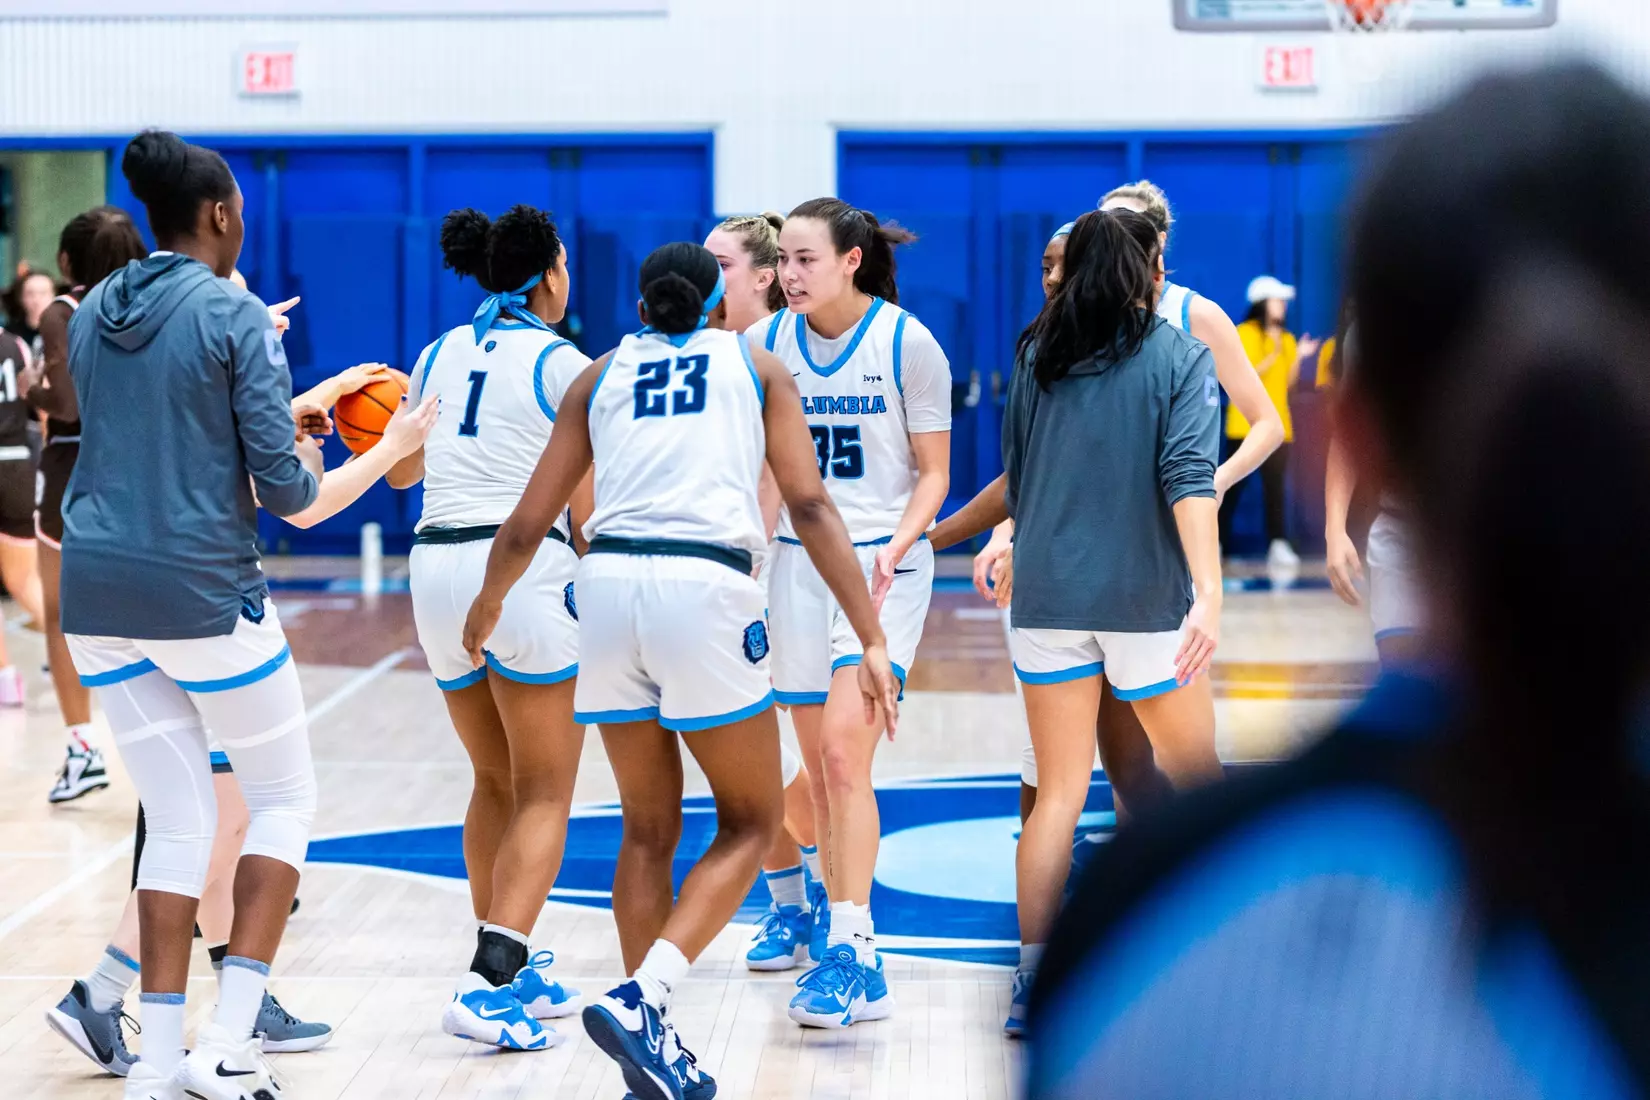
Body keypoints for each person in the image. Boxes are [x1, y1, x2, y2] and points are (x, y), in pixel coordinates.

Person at [1027, 62, 1650, 1098]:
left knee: (1113, 781)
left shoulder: (1150, 917)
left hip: (1111, 589)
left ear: (1355, 431)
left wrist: (1217, 500)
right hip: (1121, 576)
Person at [463, 240, 899, 1099]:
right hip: (702, 588)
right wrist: (869, 632)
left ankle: (647, 1037)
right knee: (750, 819)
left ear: (640, 301)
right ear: (714, 304)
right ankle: (643, 997)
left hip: (609, 588)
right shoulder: (755, 363)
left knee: (645, 830)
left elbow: (527, 522)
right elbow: (808, 503)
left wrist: (485, 607)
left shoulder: (597, 373)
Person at [48, 351, 435, 1077]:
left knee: (213, 822)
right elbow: (297, 497)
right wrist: (390, 446)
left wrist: (317, 398)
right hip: (198, 614)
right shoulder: (213, 367)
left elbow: (221, 439)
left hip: (117, 602)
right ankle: (147, 1009)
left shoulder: (138, 370)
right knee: (239, 818)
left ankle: (153, 1007)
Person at [58, 129, 327, 1100]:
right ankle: (232, 1041)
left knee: (178, 817)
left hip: (93, 591)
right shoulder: (235, 312)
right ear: (220, 214)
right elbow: (288, 489)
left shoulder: (92, 312)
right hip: (201, 590)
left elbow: (153, 433)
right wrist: (337, 445)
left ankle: (163, 1060)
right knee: (285, 802)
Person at [936, 182, 1281, 827]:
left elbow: (1266, 424)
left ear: (1156, 245)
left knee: (1163, 749)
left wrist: (1208, 484)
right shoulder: (1066, 324)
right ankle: (1099, 876)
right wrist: (1011, 534)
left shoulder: (1192, 318)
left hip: (1157, 557)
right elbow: (1050, 460)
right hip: (1076, 559)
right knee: (1085, 756)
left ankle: (1147, 877)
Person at [992, 207, 1221, 1038]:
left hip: (1047, 602)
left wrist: (1005, 541)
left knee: (1056, 795)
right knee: (1199, 780)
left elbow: (1019, 476)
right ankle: (1204, 958)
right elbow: (1188, 475)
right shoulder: (1179, 355)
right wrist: (1210, 589)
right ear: (1147, 275)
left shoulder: (1033, 353)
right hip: (1146, 603)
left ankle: (1030, 984)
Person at [386, 204, 590, 1051]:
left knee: (493, 781)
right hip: (523, 570)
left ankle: (508, 954)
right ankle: (490, 983)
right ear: (548, 273)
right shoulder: (567, 363)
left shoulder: (438, 351)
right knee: (545, 789)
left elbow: (401, 470)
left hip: (433, 567)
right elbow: (586, 508)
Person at [755, 198, 951, 1029]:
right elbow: (759, 472)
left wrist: (899, 543)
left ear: (850, 262)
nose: (789, 276)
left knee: (842, 755)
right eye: (782, 263)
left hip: (880, 567)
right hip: (793, 568)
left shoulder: (908, 343)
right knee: (820, 782)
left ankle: (855, 947)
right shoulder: (764, 346)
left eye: (804, 259)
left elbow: (935, 473)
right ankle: (837, 939)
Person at [705, 212, 830, 970]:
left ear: (762, 276)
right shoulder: (707, 354)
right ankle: (787, 904)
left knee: (816, 759)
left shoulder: (796, 345)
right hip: (729, 570)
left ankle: (829, 893)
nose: (706, 272)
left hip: (796, 563)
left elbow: (781, 476)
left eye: (720, 263)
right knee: (748, 760)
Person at [24, 206, 149, 804]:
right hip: (143, 469)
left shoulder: (63, 312)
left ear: (68, 261)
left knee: (60, 616)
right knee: (152, 619)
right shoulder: (155, 308)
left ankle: (82, 750)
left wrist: (31, 391)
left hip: (75, 467)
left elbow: (66, 406)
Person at [1323, 323, 1423, 668]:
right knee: (1403, 677)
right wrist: (1334, 529)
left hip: (1485, 538)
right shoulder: (1372, 325)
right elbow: (1348, 435)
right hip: (1399, 531)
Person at [1218, 275, 1318, 565]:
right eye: (1277, 301)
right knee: (1232, 487)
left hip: (1279, 429)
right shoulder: (1244, 333)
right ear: (1262, 303)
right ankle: (1217, 543)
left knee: (1275, 489)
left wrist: (1297, 356)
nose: (1283, 306)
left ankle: (1278, 544)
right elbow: (1246, 373)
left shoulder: (1286, 338)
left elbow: (1287, 382)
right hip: (1244, 426)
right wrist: (1274, 351)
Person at [0, 322, 43, 705]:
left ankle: (6, 678)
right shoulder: (15, 344)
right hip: (17, 465)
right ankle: (79, 654)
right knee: (24, 580)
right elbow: (33, 396)